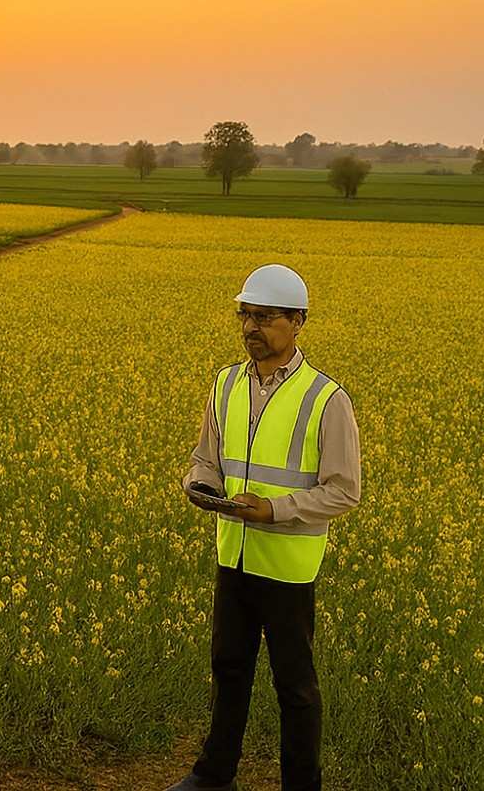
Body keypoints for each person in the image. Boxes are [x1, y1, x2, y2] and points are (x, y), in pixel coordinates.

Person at [164, 264, 361, 791]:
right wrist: (199, 483)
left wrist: (273, 511)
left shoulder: (326, 399)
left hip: (288, 565)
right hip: (234, 554)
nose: (252, 327)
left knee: (294, 688)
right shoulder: (225, 383)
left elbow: (344, 491)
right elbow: (207, 457)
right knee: (228, 668)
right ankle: (214, 774)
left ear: (298, 321)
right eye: (245, 315)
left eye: (266, 317)